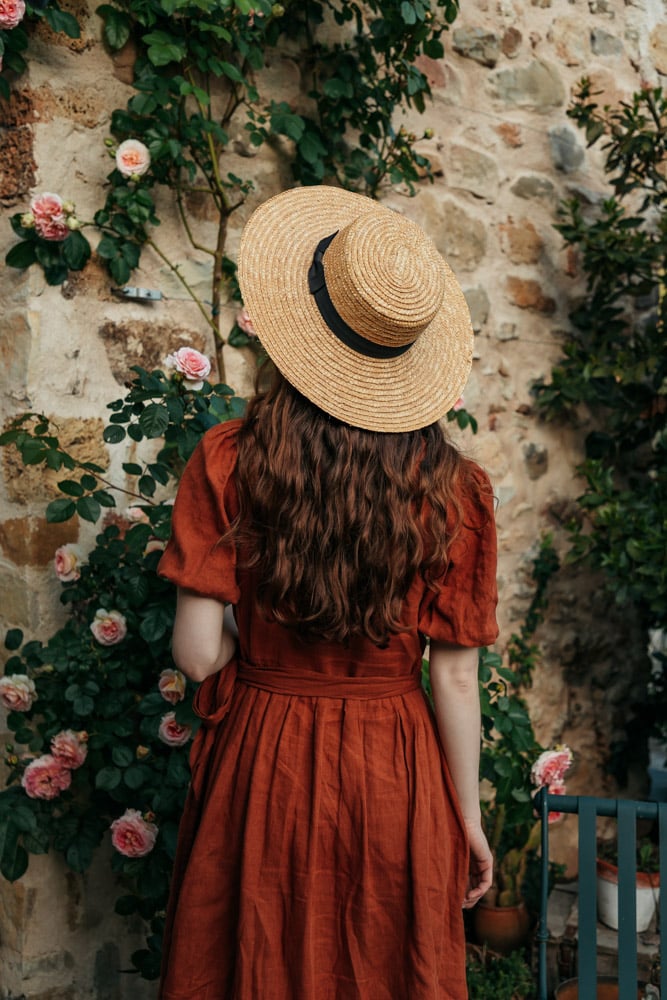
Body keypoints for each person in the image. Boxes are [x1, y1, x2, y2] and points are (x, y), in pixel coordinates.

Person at [157, 185, 499, 999]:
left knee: (256, 959)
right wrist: (468, 821)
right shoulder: (455, 489)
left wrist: (267, 658)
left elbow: (198, 653)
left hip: (262, 754)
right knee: (384, 966)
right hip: (395, 766)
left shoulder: (227, 458)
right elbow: (452, 675)